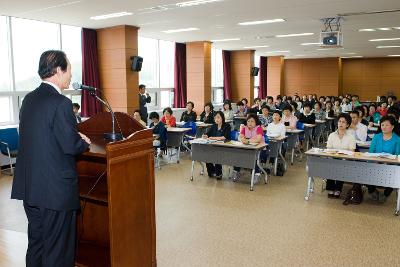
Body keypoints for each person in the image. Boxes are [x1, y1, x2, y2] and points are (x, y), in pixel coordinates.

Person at [11, 50, 91, 267]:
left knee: (37, 243)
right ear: (58, 70)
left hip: (31, 188)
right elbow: (69, 145)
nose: (70, 76)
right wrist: (83, 141)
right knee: (58, 250)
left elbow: (41, 137)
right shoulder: (60, 103)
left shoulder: (29, 99)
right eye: (69, 70)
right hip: (55, 191)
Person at [366, 116, 400, 202]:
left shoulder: (397, 139)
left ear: (392, 127)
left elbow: (397, 155)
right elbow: (371, 152)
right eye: (382, 125)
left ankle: (386, 194)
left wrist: (388, 162)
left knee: (394, 173)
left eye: (387, 125)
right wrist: (375, 160)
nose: (384, 127)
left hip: (390, 165)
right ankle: (372, 190)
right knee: (364, 170)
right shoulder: (376, 137)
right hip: (375, 163)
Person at [325, 113, 356, 198]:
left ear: (347, 125)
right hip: (333, 158)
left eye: (343, 122)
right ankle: (330, 188)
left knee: (341, 165)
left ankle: (338, 189)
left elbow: (352, 151)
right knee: (330, 164)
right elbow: (328, 149)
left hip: (345, 160)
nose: (341, 124)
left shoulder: (351, 137)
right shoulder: (332, 135)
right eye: (339, 121)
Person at [232, 113, 265, 182]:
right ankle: (236, 171)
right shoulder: (245, 128)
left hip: (259, 150)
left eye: (252, 121)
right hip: (247, 148)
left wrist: (247, 141)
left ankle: (257, 173)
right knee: (237, 155)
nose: (250, 123)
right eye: (248, 121)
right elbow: (240, 136)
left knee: (253, 158)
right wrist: (242, 139)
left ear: (256, 122)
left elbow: (258, 139)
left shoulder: (258, 128)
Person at [202, 111, 231, 180]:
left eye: (218, 117)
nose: (216, 119)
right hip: (214, 145)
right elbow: (208, 134)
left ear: (222, 118)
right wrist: (205, 135)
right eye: (215, 118)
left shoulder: (227, 126)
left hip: (224, 147)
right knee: (207, 155)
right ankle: (212, 171)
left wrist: (213, 138)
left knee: (217, 154)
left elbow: (224, 137)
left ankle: (219, 173)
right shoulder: (213, 126)